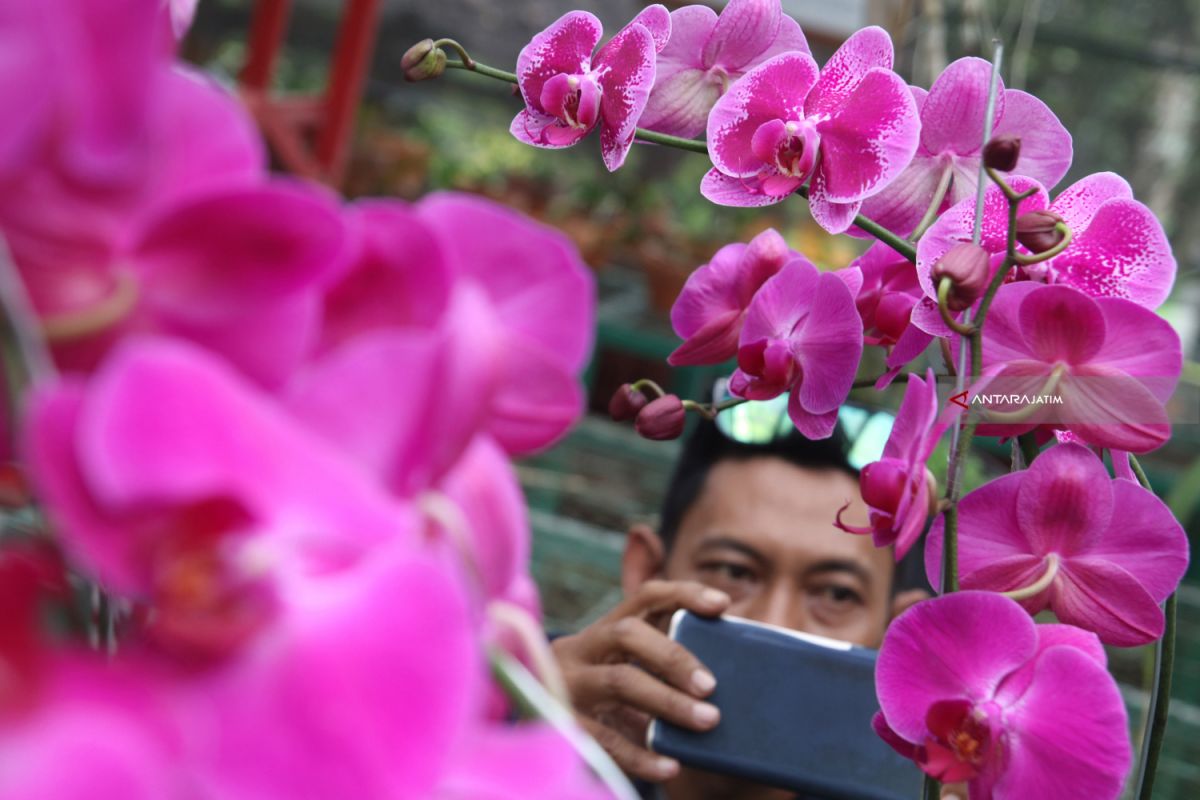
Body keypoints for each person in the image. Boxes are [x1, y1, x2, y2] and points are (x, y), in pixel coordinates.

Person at [551, 417, 938, 800]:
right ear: (649, 571)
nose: (773, 623)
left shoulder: (926, 783)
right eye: (733, 571)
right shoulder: (528, 692)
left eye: (837, 594)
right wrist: (518, 726)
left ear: (896, 632)